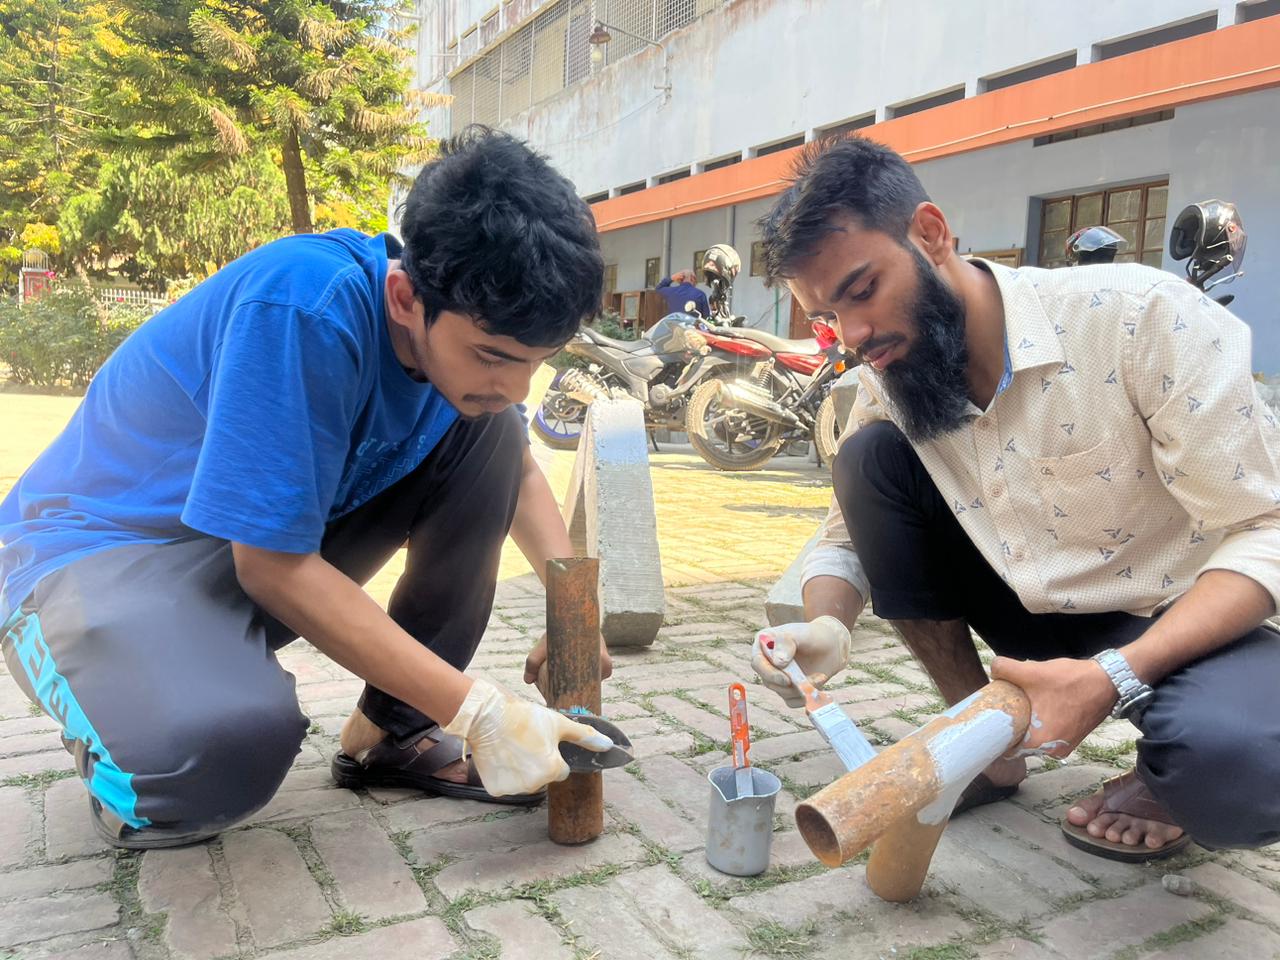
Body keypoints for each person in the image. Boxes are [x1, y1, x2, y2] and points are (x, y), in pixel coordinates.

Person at [0, 127, 617, 850]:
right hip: (99, 558)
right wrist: (479, 711)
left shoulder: (459, 358)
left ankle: (392, 734)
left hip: (238, 551)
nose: (515, 386)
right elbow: (272, 566)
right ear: (403, 298)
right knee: (215, 751)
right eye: (492, 355)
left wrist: (571, 616)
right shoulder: (303, 307)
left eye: (535, 362)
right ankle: (131, 749)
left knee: (493, 435)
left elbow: (517, 471)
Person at [751, 135, 1280, 862]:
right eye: (827, 317)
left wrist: (1112, 674)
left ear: (930, 234)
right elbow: (847, 536)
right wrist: (826, 628)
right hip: (1023, 606)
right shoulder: (890, 374)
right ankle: (986, 745)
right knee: (869, 459)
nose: (854, 336)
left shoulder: (1140, 318)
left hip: (1170, 614)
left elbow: (1266, 526)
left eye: (863, 291)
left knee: (1241, 767)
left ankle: (1164, 780)